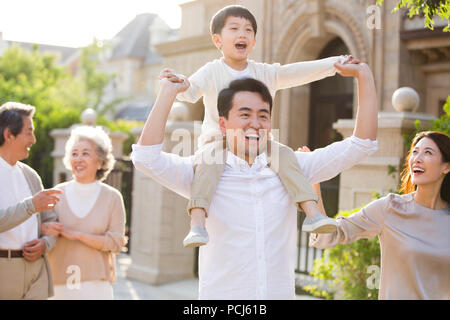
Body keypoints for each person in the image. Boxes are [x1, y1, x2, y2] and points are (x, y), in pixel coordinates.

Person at [131, 59, 378, 299]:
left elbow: (361, 145)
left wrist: (363, 76)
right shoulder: (202, 172)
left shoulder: (293, 167)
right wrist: (167, 94)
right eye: (245, 115)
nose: (255, 124)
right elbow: (145, 158)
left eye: (263, 116)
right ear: (223, 123)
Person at [160, 5, 353, 247]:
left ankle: (313, 214)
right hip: (219, 140)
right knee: (207, 164)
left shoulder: (263, 72)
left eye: (248, 30)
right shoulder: (212, 71)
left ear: (253, 41)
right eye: (234, 28)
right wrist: (178, 83)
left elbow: (296, 72)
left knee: (285, 155)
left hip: (258, 141)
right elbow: (190, 90)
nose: (242, 33)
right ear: (217, 40)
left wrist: (336, 63)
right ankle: (197, 223)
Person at [310, 131, 450, 300]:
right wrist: (313, 185)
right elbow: (331, 234)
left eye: (428, 152)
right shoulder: (391, 208)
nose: (417, 158)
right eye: (414, 151)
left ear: (446, 166)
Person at [43, 125, 126, 300]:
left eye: (85, 153)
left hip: (97, 285)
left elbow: (116, 243)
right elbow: (42, 233)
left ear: (100, 162)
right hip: (59, 282)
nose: (78, 159)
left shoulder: (112, 197)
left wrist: (77, 235)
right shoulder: (55, 194)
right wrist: (45, 229)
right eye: (74, 153)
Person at [0, 101, 62, 300]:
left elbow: (51, 220)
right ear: (8, 134)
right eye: (29, 132)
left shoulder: (31, 175)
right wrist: (31, 206)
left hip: (37, 272)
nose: (33, 139)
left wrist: (45, 244)